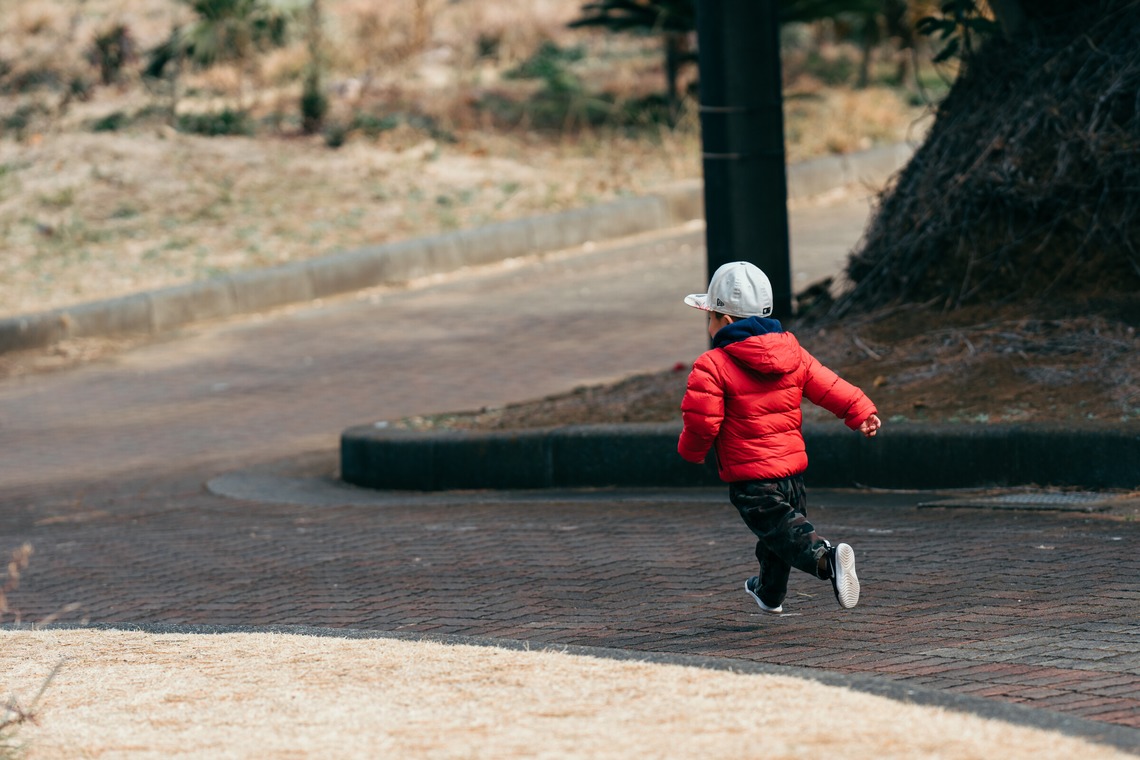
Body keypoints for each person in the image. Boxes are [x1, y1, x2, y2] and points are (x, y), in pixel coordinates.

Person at [677, 261, 882, 613]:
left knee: (785, 533)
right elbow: (828, 385)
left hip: (751, 478)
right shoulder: (792, 353)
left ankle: (826, 558)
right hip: (792, 473)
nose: (708, 325)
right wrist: (860, 411)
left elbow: (702, 423)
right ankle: (770, 593)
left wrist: (691, 452)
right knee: (777, 536)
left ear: (724, 322)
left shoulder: (711, 365)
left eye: (709, 317)